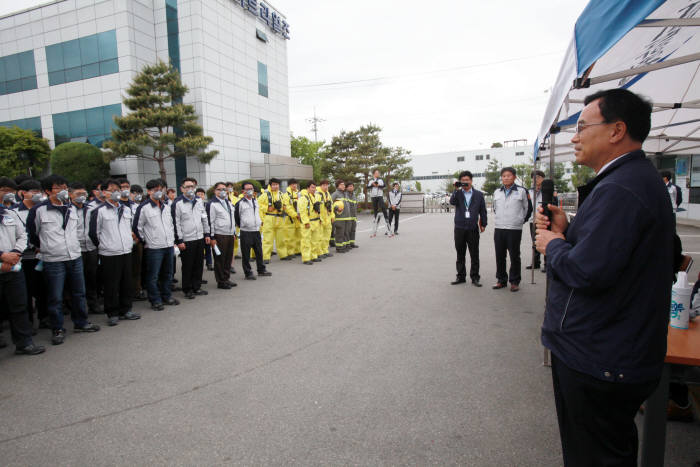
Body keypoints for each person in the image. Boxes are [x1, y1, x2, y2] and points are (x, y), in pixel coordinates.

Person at [535, 88, 675, 466]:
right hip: (614, 349)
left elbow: (587, 270)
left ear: (616, 131)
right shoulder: (630, 180)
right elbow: (618, 250)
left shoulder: (621, 187)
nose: (575, 137)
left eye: (582, 127)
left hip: (600, 355)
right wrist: (572, 229)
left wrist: (554, 244)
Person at [27, 175, 101, 345]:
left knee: (78, 292)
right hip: (53, 259)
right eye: (58, 188)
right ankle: (57, 328)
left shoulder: (72, 208)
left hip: (74, 256)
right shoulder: (39, 210)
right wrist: (47, 247)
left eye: (65, 188)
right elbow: (33, 234)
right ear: (47, 191)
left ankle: (81, 322)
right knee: (55, 296)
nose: (63, 191)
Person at [89, 179, 140, 326]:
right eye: (112, 190)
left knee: (126, 282)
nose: (116, 193)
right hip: (109, 253)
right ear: (104, 193)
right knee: (112, 284)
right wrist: (105, 245)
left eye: (117, 190)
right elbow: (94, 233)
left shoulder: (126, 209)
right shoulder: (99, 211)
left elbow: (130, 229)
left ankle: (126, 309)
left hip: (126, 250)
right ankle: (112, 312)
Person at [0, 190, 45, 355]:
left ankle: (24, 343)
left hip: (14, 265)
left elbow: (23, 235)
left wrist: (14, 254)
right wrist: (2, 257)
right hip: (4, 262)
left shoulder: (9, 213)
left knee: (19, 306)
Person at [133, 179, 180, 311]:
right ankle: (155, 300)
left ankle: (167, 296)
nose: (159, 192)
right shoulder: (144, 208)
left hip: (168, 246)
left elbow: (170, 225)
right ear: (148, 192)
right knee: (153, 275)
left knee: (168, 273)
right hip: (154, 248)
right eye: (155, 190)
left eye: (161, 189)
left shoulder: (166, 207)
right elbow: (137, 228)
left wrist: (172, 241)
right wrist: (146, 241)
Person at [13, 179, 49, 328]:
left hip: (41, 255)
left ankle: (44, 317)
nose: (37, 195)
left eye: (39, 192)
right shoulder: (15, 212)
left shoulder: (43, 209)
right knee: (26, 291)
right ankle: (28, 321)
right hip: (24, 258)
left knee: (43, 288)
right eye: (33, 192)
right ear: (22, 193)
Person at [492, 167, 532, 292]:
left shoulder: (522, 191)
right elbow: (495, 208)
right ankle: (501, 280)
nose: (506, 178)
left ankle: (514, 281)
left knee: (514, 255)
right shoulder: (497, 192)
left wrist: (520, 220)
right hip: (499, 228)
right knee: (500, 255)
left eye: (509, 175)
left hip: (514, 229)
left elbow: (528, 208)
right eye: (504, 176)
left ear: (514, 177)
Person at [172, 177, 210, 300]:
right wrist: (179, 240)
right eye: (187, 187)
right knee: (188, 265)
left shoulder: (199, 201)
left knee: (199, 264)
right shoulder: (177, 203)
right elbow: (176, 223)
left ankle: (196, 287)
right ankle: (187, 289)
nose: (190, 189)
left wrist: (207, 234)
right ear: (181, 189)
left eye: (192, 187)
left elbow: (204, 217)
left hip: (199, 237)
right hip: (186, 239)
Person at [449, 171, 487, 287]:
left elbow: (483, 210)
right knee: (460, 253)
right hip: (459, 228)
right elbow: (452, 202)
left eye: (467, 180)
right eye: (463, 180)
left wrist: (483, 223)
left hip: (472, 228)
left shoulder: (479, 194)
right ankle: (460, 276)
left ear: (471, 181)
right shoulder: (458, 193)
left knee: (474, 253)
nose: (465, 182)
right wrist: (456, 189)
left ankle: (475, 277)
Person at [234, 182, 271, 279]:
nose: (250, 190)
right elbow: (236, 217)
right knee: (246, 254)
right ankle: (248, 272)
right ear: (243, 191)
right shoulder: (240, 203)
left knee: (259, 252)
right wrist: (243, 225)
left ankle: (261, 269)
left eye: (251, 188)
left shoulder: (255, 201)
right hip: (246, 231)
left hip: (256, 230)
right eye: (247, 189)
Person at [527, 171, 558, 273]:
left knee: (546, 241)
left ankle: (546, 264)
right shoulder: (530, 192)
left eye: (539, 177)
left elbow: (555, 204)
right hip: (533, 219)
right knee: (535, 242)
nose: (536, 179)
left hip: (545, 219)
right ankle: (535, 262)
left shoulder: (549, 190)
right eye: (534, 177)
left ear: (543, 178)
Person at [207, 182, 237, 289]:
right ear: (215, 191)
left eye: (224, 189)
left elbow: (232, 219)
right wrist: (212, 238)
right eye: (219, 189)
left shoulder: (228, 203)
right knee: (220, 259)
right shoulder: (212, 204)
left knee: (228, 258)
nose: (222, 191)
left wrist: (233, 232)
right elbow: (210, 221)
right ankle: (221, 281)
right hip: (219, 235)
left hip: (229, 234)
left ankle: (226, 278)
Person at [258, 178, 287, 263]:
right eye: (273, 185)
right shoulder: (265, 195)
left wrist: (283, 207)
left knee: (281, 238)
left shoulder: (281, 194)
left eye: (277, 184)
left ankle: (283, 254)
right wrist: (268, 208)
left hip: (280, 217)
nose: (275, 186)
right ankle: (266, 257)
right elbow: (258, 205)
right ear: (270, 185)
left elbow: (285, 204)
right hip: (269, 218)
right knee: (268, 239)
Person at [298, 181, 322, 265]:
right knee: (306, 241)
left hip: (316, 221)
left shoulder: (316, 197)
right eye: (312, 187)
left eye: (315, 187)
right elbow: (302, 211)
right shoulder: (303, 198)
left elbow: (319, 210)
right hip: (308, 222)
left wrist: (320, 219)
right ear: (307, 188)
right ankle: (306, 258)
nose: (314, 189)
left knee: (315, 240)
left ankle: (314, 256)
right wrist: (305, 222)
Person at [368, 170, 392, 237]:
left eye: (378, 173)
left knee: (383, 206)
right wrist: (372, 185)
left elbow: (384, 186)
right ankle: (376, 219)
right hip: (373, 196)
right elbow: (367, 187)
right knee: (375, 209)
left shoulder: (381, 180)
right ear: (373, 174)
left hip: (379, 195)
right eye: (376, 173)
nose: (377, 174)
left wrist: (378, 185)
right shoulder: (371, 180)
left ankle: (386, 217)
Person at [282, 179, 301, 259]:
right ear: (289, 185)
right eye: (293, 184)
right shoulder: (286, 195)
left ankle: (298, 250)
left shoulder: (299, 194)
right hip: (289, 218)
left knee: (299, 235)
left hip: (299, 218)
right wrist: (295, 215)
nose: (294, 185)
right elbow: (287, 207)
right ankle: (290, 252)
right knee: (289, 236)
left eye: (295, 184)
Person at [317, 180, 335, 258]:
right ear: (320, 186)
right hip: (320, 218)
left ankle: (325, 250)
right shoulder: (317, 194)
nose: (326, 187)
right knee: (319, 236)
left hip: (327, 218)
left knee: (327, 236)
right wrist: (319, 218)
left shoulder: (328, 194)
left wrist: (332, 216)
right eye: (324, 185)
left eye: (327, 185)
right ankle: (319, 252)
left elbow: (331, 206)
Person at [331, 180, 350, 253]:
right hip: (339, 218)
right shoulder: (335, 194)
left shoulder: (345, 194)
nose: (343, 186)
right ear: (337, 186)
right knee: (340, 233)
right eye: (341, 185)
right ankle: (339, 248)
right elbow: (330, 204)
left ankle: (343, 246)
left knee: (345, 233)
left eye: (344, 185)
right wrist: (336, 208)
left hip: (346, 217)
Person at [346, 182, 359, 249]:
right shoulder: (345, 195)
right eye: (349, 186)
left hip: (354, 216)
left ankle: (352, 243)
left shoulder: (354, 195)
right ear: (346, 187)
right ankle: (347, 244)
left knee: (353, 230)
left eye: (352, 186)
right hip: (348, 216)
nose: (351, 187)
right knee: (347, 230)